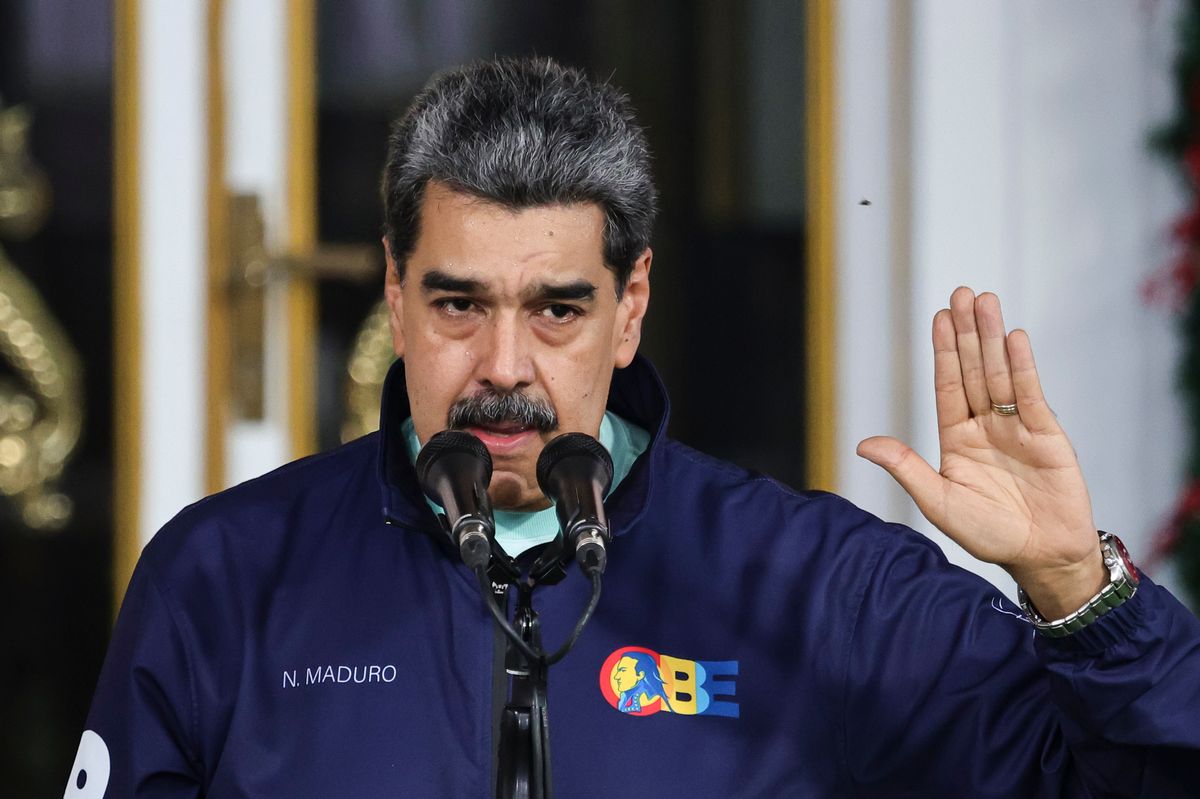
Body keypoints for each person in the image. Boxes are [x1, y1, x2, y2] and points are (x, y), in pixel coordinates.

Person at [71, 56, 1200, 798]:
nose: (503, 368)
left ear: (632, 308)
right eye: (459, 303)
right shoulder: (224, 575)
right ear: (395, 293)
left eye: (557, 309)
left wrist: (1077, 596)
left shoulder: (819, 585)